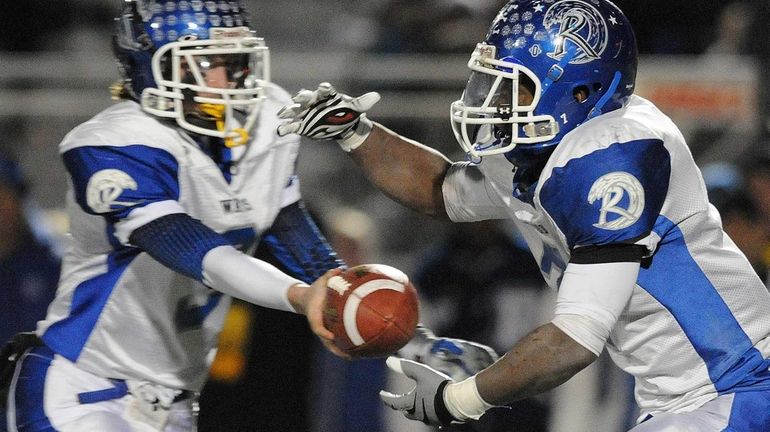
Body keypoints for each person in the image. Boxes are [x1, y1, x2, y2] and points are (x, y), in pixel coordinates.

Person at [1, 1, 496, 431]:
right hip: (79, 390)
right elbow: (191, 247)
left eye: (235, 58)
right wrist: (303, 298)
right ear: (152, 67)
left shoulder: (262, 120)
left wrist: (404, 336)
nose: (231, 76)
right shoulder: (111, 141)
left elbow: (288, 229)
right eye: (208, 61)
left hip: (173, 404)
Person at [276, 0, 770, 430]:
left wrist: (460, 399)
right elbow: (443, 191)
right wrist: (356, 134)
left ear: (582, 91)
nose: (499, 102)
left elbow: (574, 340)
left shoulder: (616, 156)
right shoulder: (548, 149)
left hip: (738, 384)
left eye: (518, 88)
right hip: (686, 398)